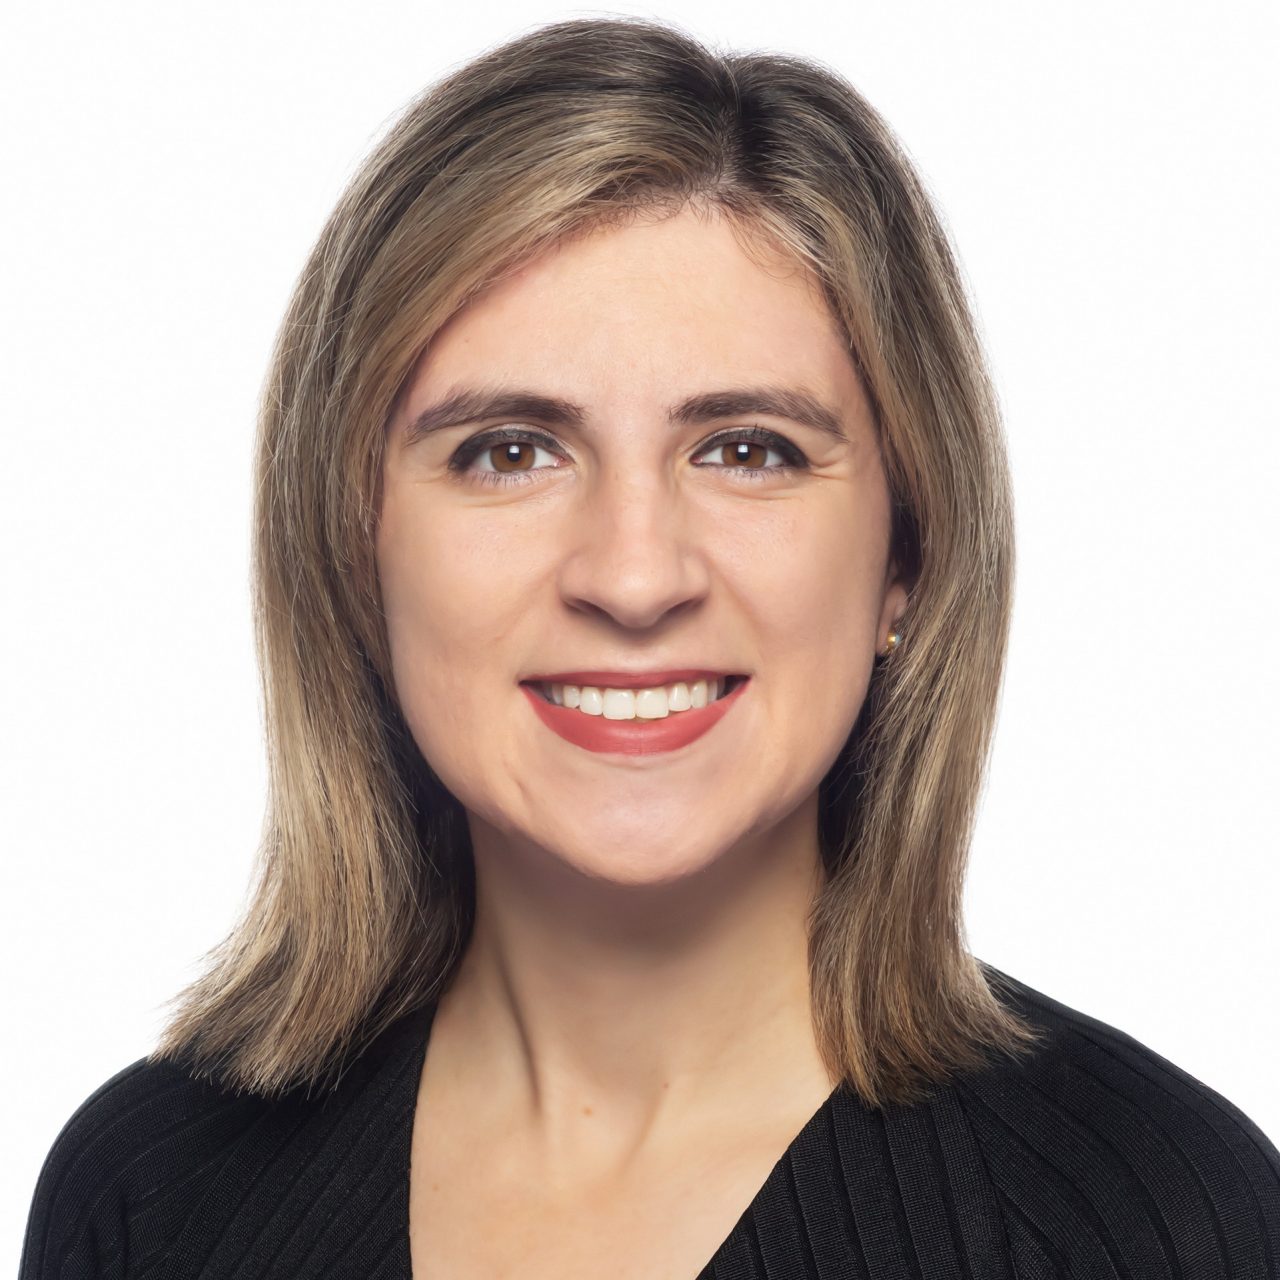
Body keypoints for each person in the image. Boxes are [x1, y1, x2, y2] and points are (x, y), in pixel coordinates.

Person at [19, 15, 1280, 1280]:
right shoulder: (150, 1194)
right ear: (355, 549)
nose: (632, 576)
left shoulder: (1156, 1223)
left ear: (907, 553)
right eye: (508, 450)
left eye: (746, 449)